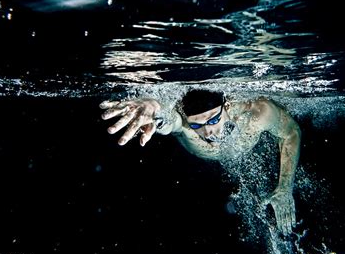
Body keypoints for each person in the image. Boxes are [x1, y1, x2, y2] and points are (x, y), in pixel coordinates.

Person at [100, 89, 301, 235]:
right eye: (198, 124)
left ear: (227, 107)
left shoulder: (258, 114)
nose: (208, 131)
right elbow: (171, 121)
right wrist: (156, 113)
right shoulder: (186, 127)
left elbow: (291, 132)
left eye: (213, 119)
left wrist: (285, 187)